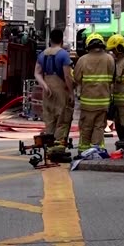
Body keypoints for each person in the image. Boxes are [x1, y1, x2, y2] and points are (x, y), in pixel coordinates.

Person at [73, 33, 115, 155]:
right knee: (99, 127)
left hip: (87, 101)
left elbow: (76, 78)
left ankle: (83, 150)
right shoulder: (109, 59)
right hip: (103, 101)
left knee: (86, 126)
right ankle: (97, 150)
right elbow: (112, 77)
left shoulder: (82, 60)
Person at [35, 28, 73, 157]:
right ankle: (58, 149)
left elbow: (37, 73)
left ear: (50, 39)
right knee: (63, 118)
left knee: (49, 118)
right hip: (61, 90)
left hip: (48, 92)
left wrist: (45, 86)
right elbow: (67, 77)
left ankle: (49, 147)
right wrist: (71, 93)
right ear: (62, 40)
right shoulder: (63, 55)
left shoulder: (42, 54)